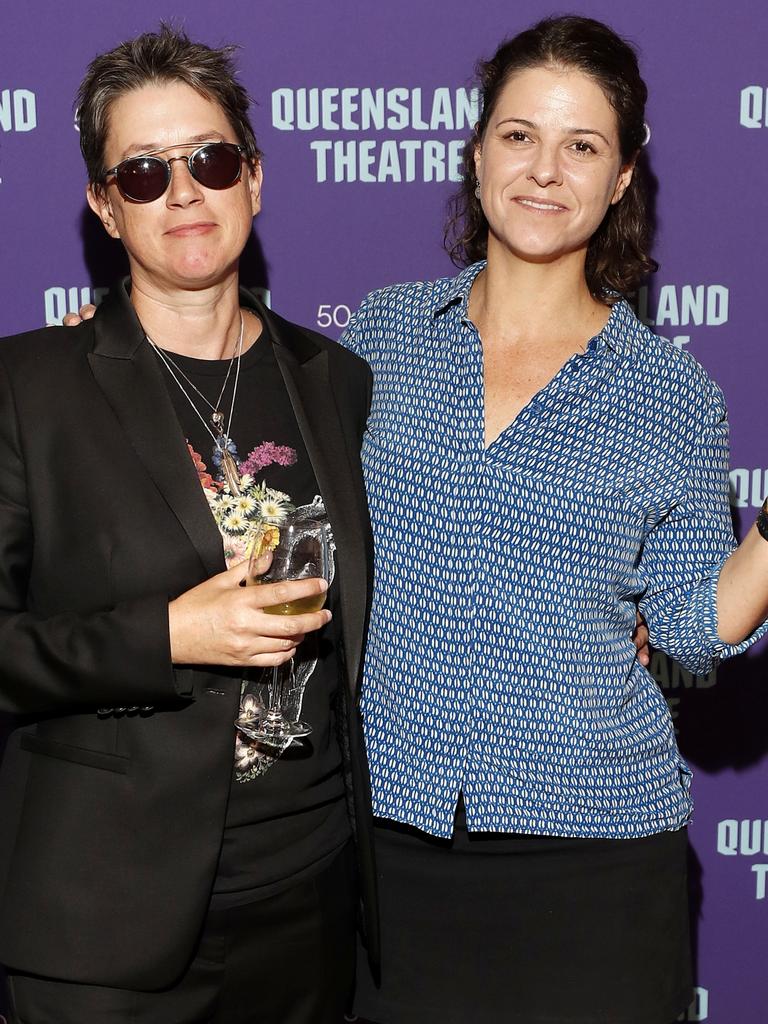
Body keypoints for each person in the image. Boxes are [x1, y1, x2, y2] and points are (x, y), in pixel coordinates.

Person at [338, 15, 768, 1024]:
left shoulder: (673, 394)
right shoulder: (385, 334)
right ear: (478, 148)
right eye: (521, 135)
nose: (545, 170)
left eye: (583, 146)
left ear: (622, 179)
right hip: (383, 853)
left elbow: (699, 630)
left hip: (596, 869)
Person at [0, 26, 377, 1024]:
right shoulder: (26, 386)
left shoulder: (333, 380)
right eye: (142, 173)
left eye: (210, 161)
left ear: (253, 177)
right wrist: (166, 636)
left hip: (311, 906)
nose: (184, 193)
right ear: (103, 207)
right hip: (102, 927)